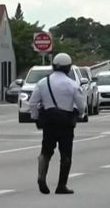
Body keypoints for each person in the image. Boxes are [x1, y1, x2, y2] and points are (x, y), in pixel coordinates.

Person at [29, 53, 85, 195]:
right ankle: (61, 185)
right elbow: (81, 105)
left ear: (53, 66)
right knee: (66, 154)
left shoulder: (43, 83)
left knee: (46, 151)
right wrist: (80, 114)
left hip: (49, 121)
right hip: (66, 122)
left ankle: (41, 176)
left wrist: (36, 118)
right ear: (69, 68)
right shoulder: (72, 84)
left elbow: (32, 103)